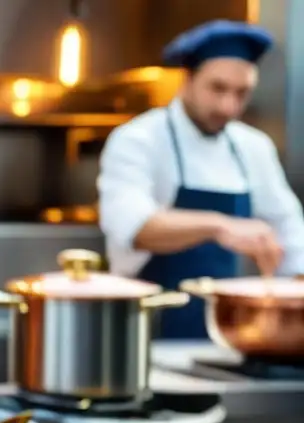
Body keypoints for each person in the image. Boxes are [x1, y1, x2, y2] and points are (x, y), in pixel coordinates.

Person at [97, 19, 304, 339]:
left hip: (232, 333)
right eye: (217, 88)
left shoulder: (252, 146)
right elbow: (132, 227)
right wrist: (220, 226)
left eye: (242, 93)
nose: (228, 106)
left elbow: (289, 228)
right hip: (146, 331)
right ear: (187, 80)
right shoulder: (139, 139)